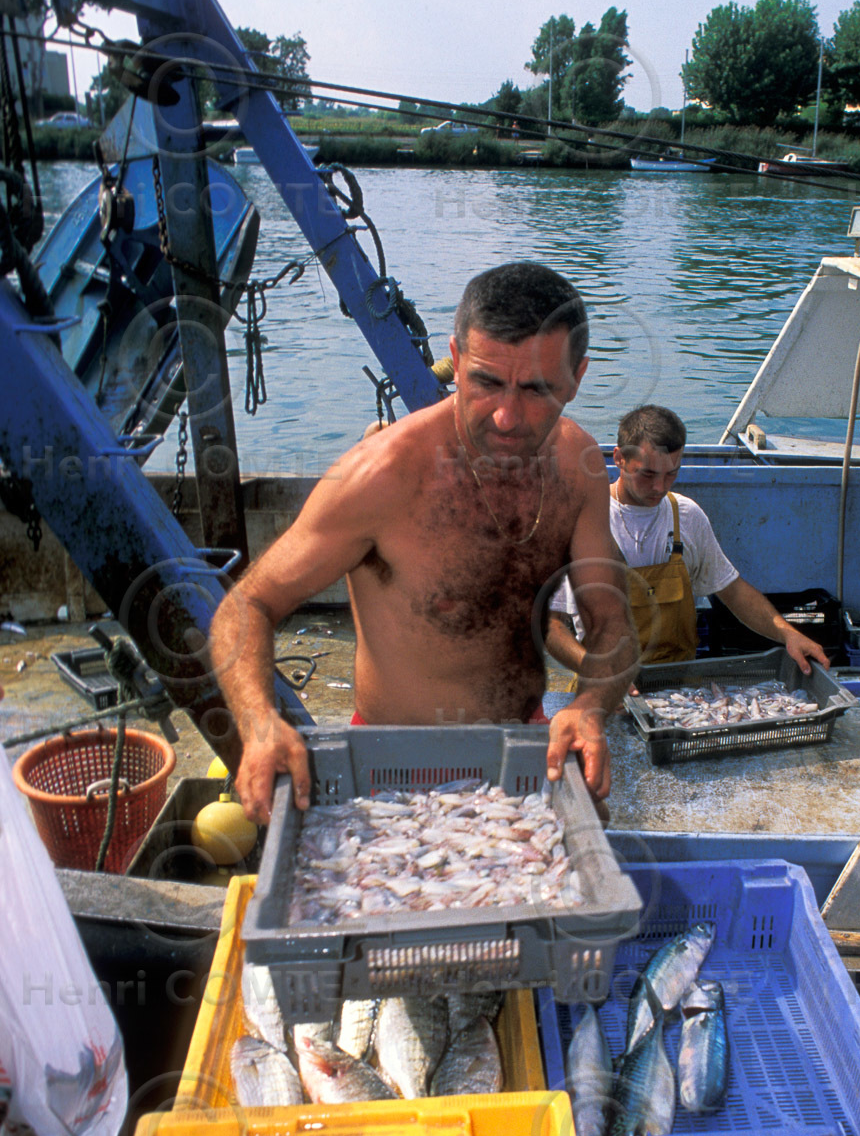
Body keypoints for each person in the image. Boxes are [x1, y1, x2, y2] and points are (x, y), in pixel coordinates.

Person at [210, 262, 637, 822]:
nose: (507, 416)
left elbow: (613, 624)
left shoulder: (577, 467)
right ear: (456, 362)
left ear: (577, 377)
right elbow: (245, 604)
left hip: (527, 749)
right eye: (485, 381)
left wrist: (589, 705)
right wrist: (261, 724)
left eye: (537, 389)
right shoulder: (383, 477)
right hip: (393, 769)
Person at [545, 403, 829, 677]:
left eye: (671, 473)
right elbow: (549, 623)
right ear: (619, 457)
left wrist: (788, 634)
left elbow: (732, 591)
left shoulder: (687, 516)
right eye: (648, 474)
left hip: (680, 683)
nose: (660, 487)